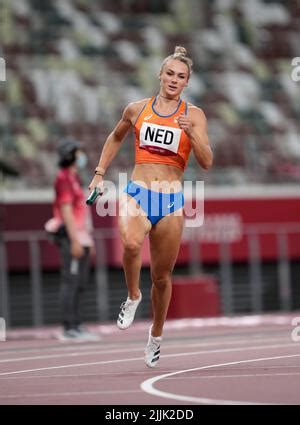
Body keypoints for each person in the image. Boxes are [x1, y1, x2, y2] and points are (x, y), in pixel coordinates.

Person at [88, 46, 213, 366]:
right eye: (169, 73)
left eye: (180, 76)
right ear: (160, 75)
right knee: (130, 244)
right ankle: (132, 296)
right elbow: (115, 137)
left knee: (161, 277)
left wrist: (192, 134)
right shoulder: (137, 109)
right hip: (138, 191)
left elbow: (207, 162)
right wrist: (99, 173)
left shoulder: (194, 115)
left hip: (170, 199)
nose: (174, 80)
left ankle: (155, 337)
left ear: (187, 82)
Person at [46, 137, 100, 341]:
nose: (81, 156)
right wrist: (75, 240)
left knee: (80, 282)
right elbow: (66, 211)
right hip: (71, 237)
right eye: (77, 153)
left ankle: (77, 324)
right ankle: (70, 327)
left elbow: (82, 209)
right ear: (69, 155)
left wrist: (87, 239)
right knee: (71, 281)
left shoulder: (75, 178)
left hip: (80, 236)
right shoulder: (63, 179)